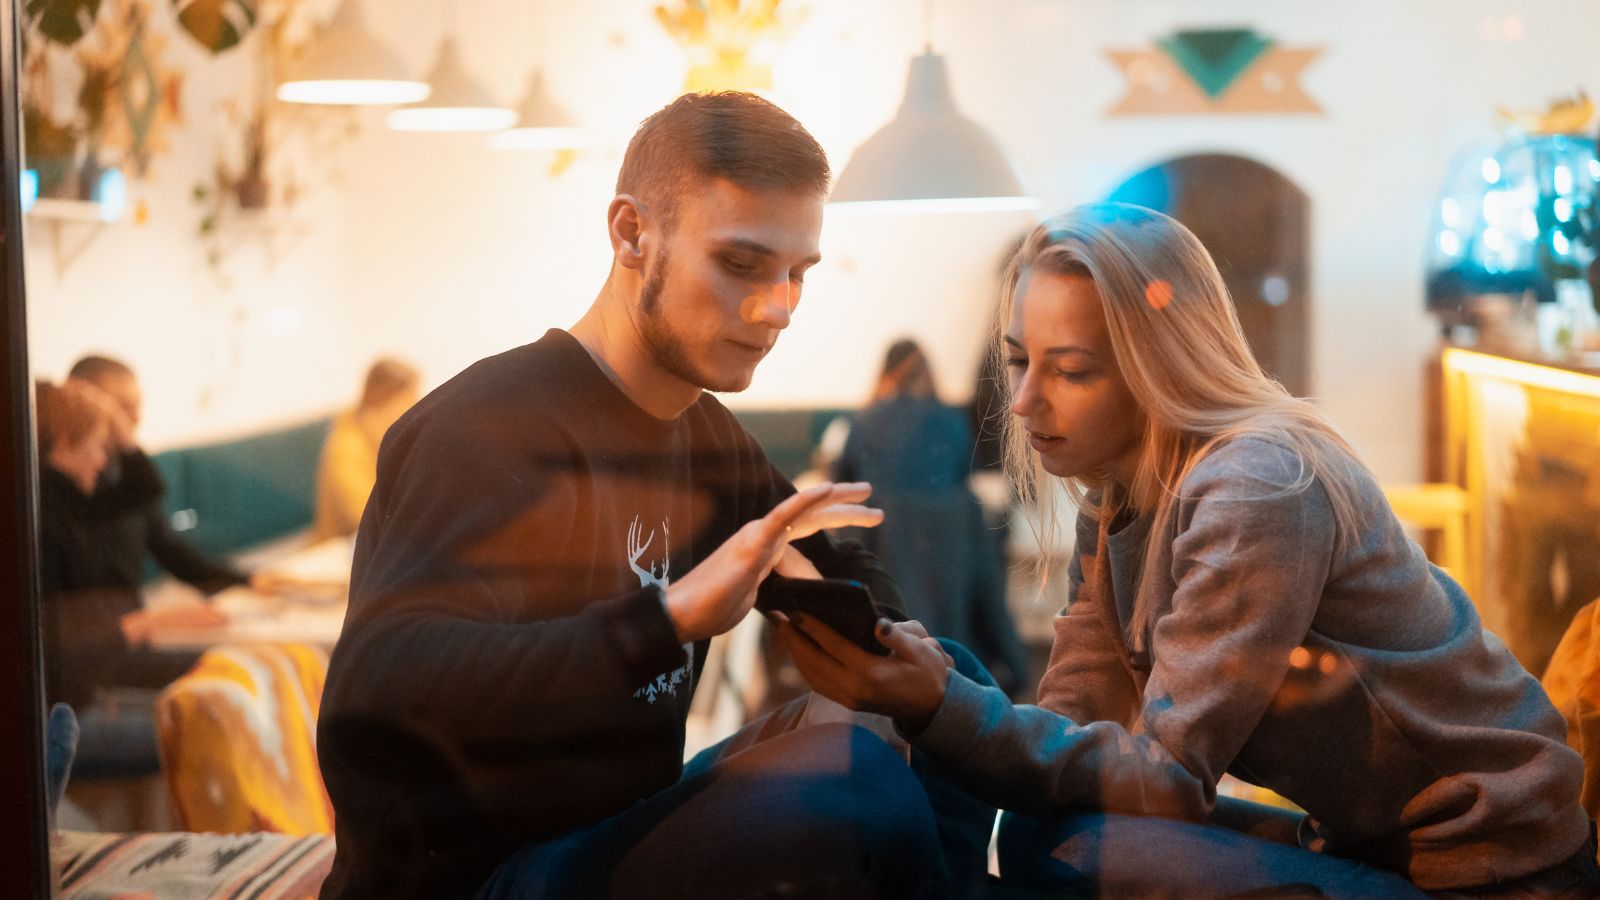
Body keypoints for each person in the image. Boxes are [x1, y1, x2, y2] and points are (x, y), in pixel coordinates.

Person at [773, 202, 1600, 897]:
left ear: (1156, 367)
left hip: (1487, 874)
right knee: (1000, 762)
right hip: (1358, 843)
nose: (1024, 401)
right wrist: (933, 688)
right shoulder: (1120, 496)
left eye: (1070, 371)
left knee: (1068, 850)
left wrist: (937, 705)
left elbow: (1167, 779)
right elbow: (1071, 724)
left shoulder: (1257, 487)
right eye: (1020, 362)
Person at [316, 92, 995, 900]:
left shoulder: (710, 440)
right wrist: (664, 622)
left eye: (796, 273)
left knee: (948, 682)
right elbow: (380, 688)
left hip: (619, 826)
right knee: (856, 794)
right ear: (633, 233)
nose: (777, 307)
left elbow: (826, 557)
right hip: (482, 875)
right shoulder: (483, 428)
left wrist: (865, 627)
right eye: (742, 264)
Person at [833, 338, 1028, 695]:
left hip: (885, 589)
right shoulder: (951, 421)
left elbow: (843, 483)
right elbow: (961, 475)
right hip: (952, 588)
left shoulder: (863, 422)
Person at [34, 380, 221, 709]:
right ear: (63, 445)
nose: (102, 460)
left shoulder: (69, 501)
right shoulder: (49, 519)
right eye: (96, 445)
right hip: (78, 702)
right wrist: (159, 620)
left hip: (97, 675)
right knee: (216, 707)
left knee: (226, 674)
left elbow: (145, 487)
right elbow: (64, 646)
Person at [66, 355, 260, 597]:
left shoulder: (127, 473)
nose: (136, 418)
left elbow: (173, 553)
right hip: (110, 629)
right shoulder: (64, 490)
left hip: (132, 623)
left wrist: (248, 581)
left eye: (138, 405)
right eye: (122, 407)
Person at [311, 357, 421, 541]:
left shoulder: (384, 435)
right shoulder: (347, 447)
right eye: (409, 396)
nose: (416, 404)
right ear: (385, 398)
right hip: (342, 548)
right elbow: (362, 516)